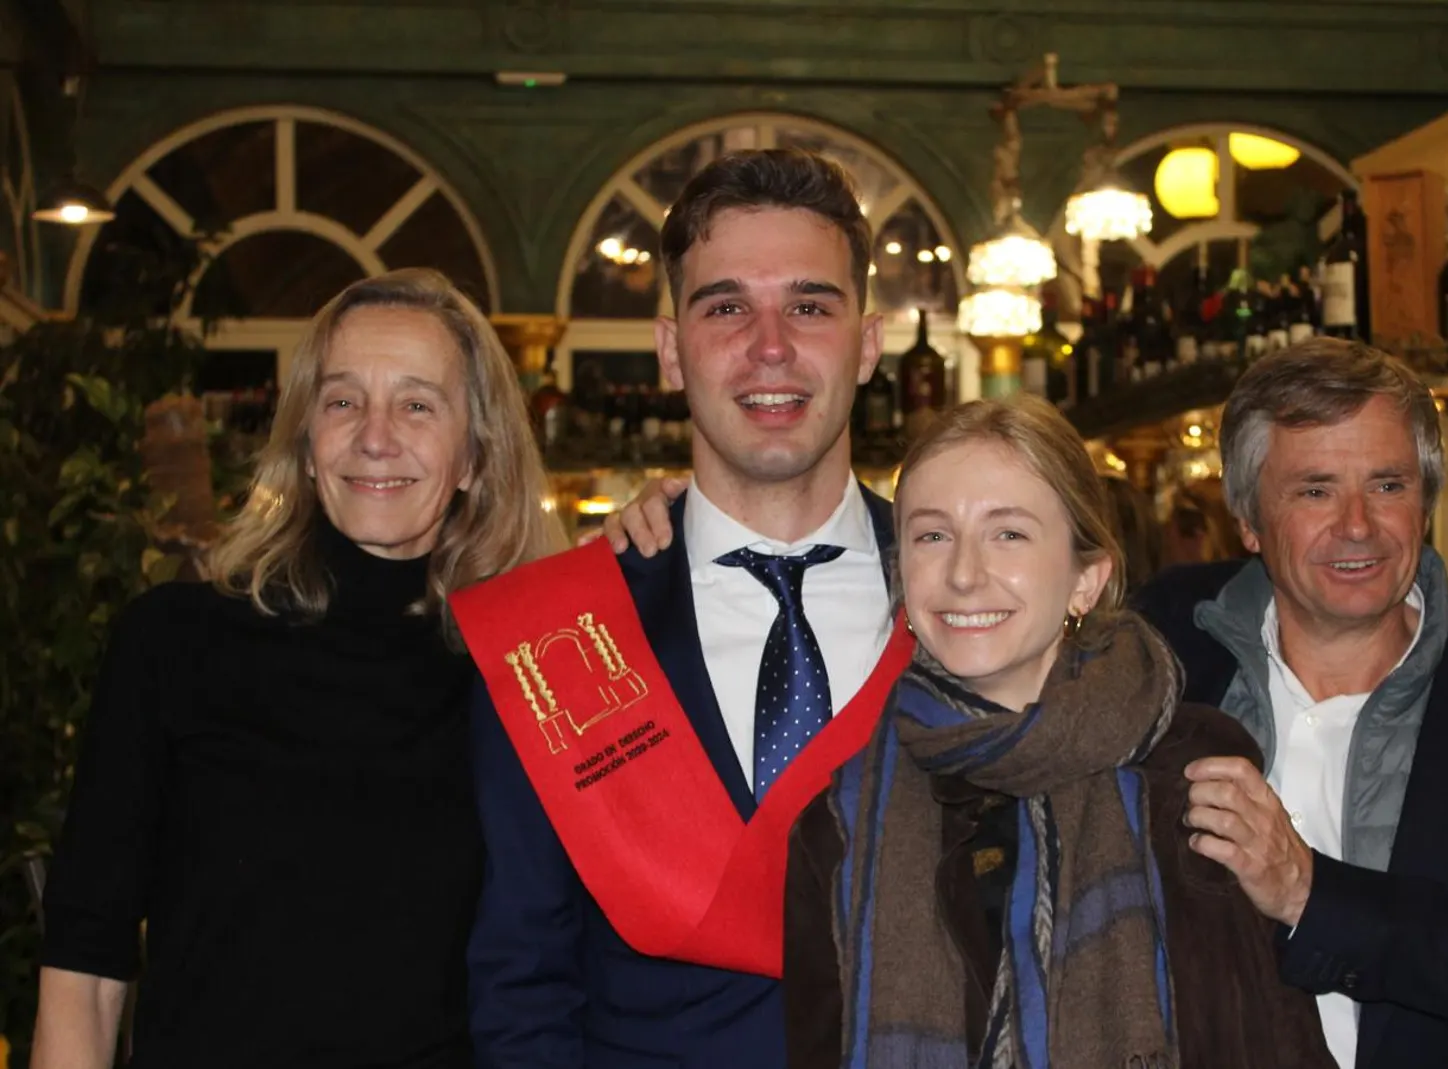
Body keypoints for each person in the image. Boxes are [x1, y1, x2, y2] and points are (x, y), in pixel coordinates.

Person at [32, 268, 562, 1069]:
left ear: (475, 460)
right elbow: (85, 965)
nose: (374, 436)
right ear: (306, 447)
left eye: (418, 404)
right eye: (343, 400)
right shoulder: (174, 644)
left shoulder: (522, 677)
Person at [464, 148, 909, 1069]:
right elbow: (522, 983)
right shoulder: (562, 634)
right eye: (726, 307)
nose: (771, 344)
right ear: (672, 350)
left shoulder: (968, 601)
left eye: (812, 306)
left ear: (868, 344)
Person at [780, 396, 1335, 1069]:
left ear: (1085, 578)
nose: (962, 573)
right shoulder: (838, 824)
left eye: (1008, 533)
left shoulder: (1194, 774)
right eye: (932, 535)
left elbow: (1273, 1039)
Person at [1133, 337, 1448, 1069]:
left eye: (1389, 484)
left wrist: (1313, 896)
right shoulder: (1162, 660)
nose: (1358, 524)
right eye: (1315, 489)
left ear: (1426, 503)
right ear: (1247, 519)